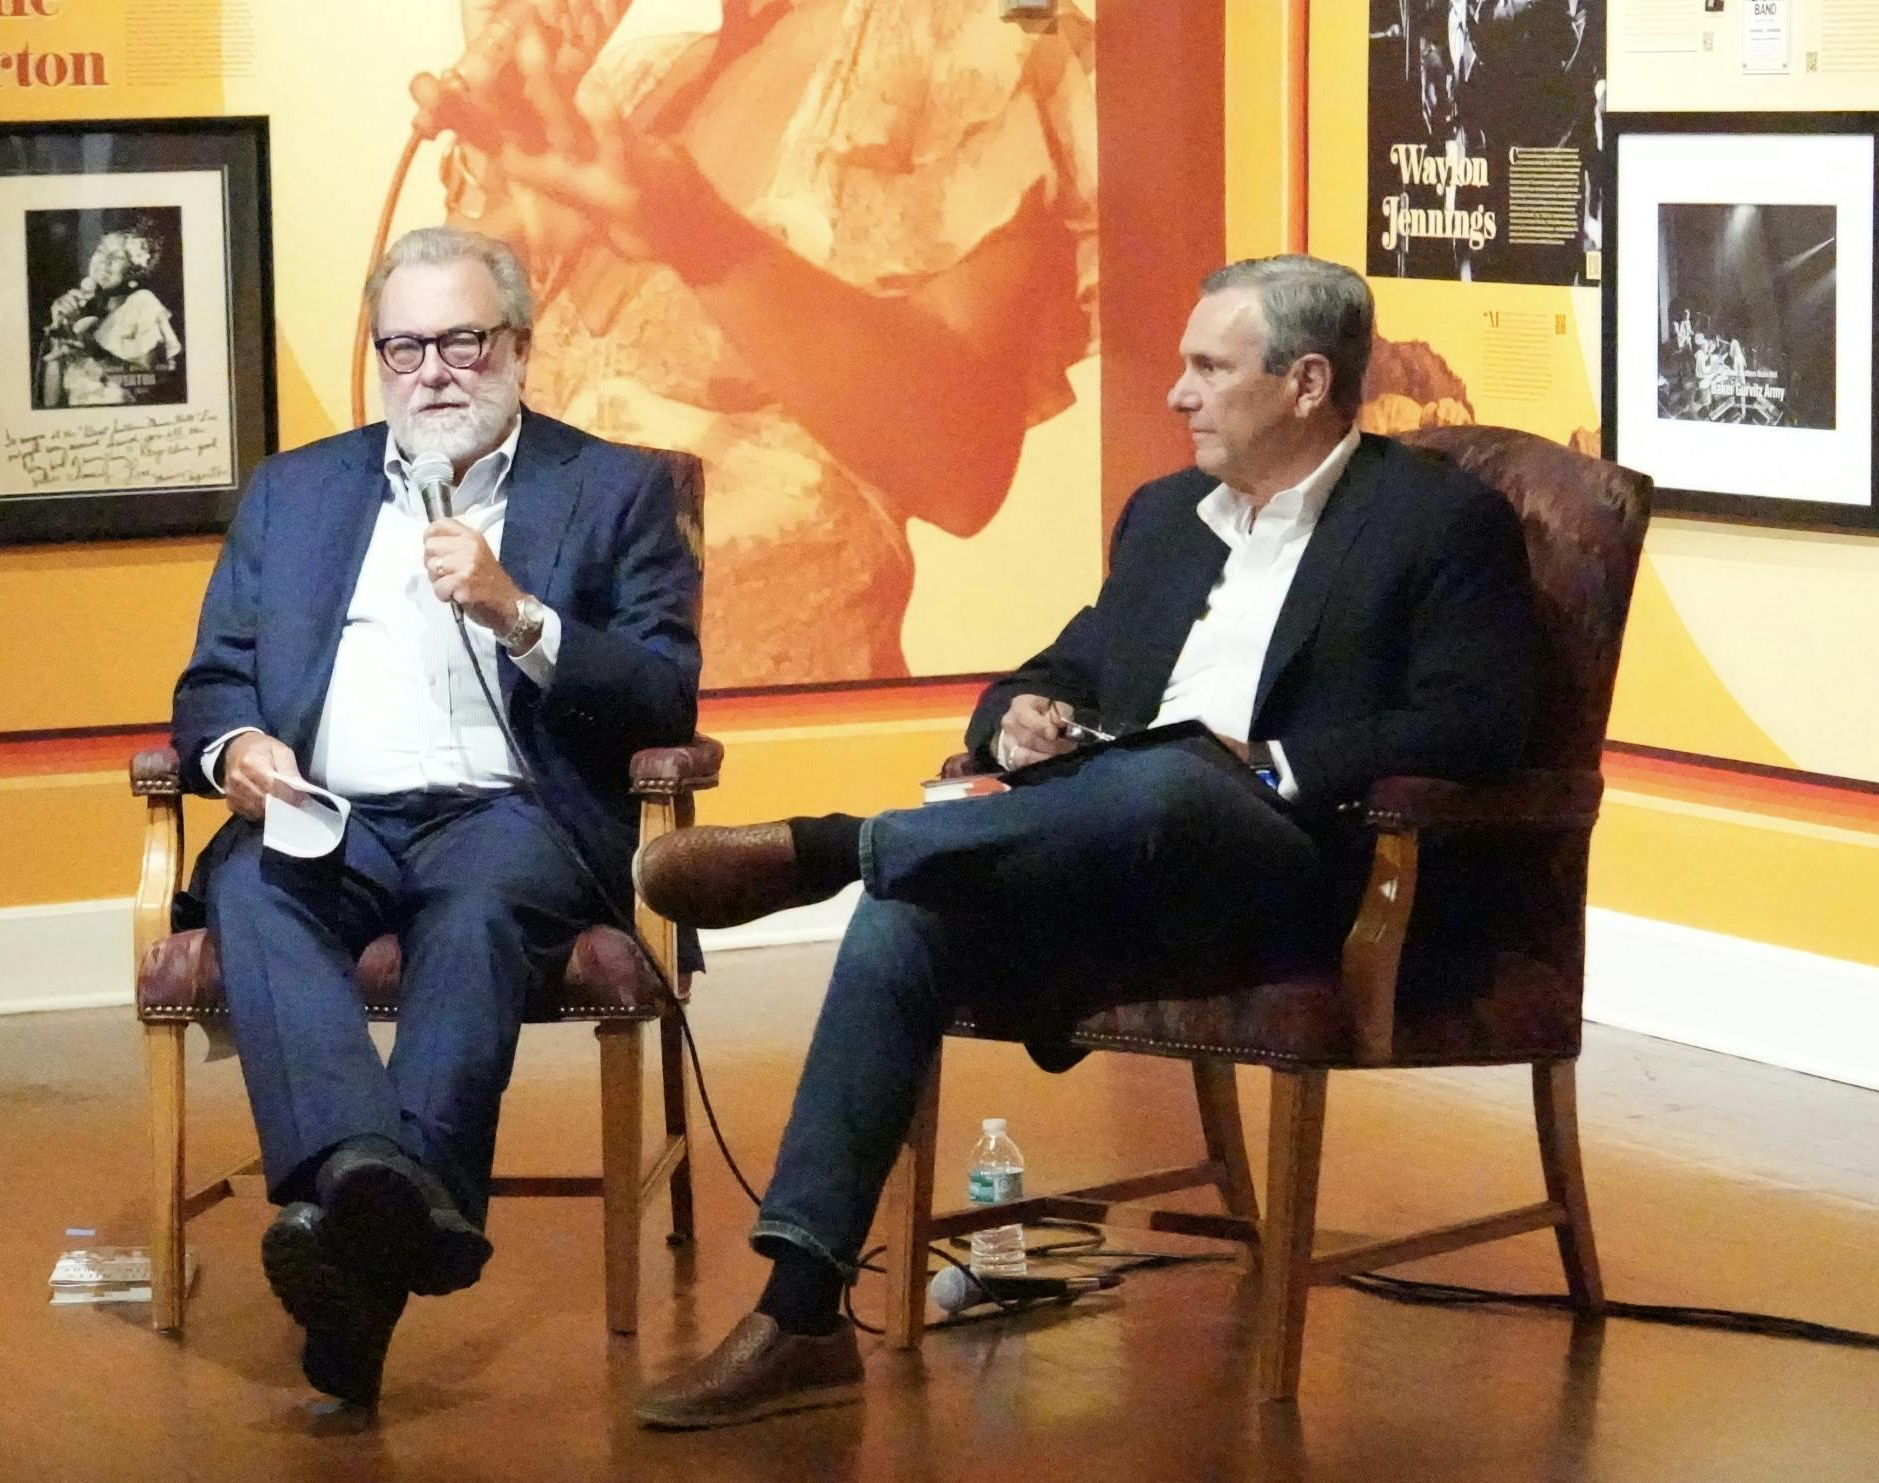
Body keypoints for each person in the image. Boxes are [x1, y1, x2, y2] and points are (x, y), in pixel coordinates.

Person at [627, 255, 1538, 1428]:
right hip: (1114, 847)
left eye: (1210, 367)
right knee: (908, 912)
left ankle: (835, 844)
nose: (1177, 393)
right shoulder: (1166, 519)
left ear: (1306, 382)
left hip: (1301, 866)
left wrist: (1268, 765)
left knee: (1176, 777)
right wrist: (1013, 714)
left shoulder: (1436, 520)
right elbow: (1069, 662)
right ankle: (800, 1312)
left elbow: (1479, 719)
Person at [169, 225, 701, 1409]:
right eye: (402, 346)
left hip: (507, 816)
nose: (432, 371)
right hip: (331, 814)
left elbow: (664, 693)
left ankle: (357, 1247)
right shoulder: (297, 492)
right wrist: (236, 746)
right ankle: (388, 1191)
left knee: (472, 916)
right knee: (253, 884)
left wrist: (521, 615)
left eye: (461, 340)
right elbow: (214, 677)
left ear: (517, 343)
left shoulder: (610, 489)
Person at [430, 0, 1096, 686]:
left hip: (764, 747)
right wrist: (498, 151)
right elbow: (444, 450)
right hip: (541, 750)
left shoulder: (972, 28)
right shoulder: (631, 88)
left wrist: (707, 242)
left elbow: (960, 469)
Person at [36, 222, 184, 408]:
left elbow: (150, 381)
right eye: (101, 250)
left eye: (117, 257)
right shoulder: (79, 310)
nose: (104, 262)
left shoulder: (143, 303)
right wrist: (58, 335)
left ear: (134, 270)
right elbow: (51, 402)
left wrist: (95, 352)